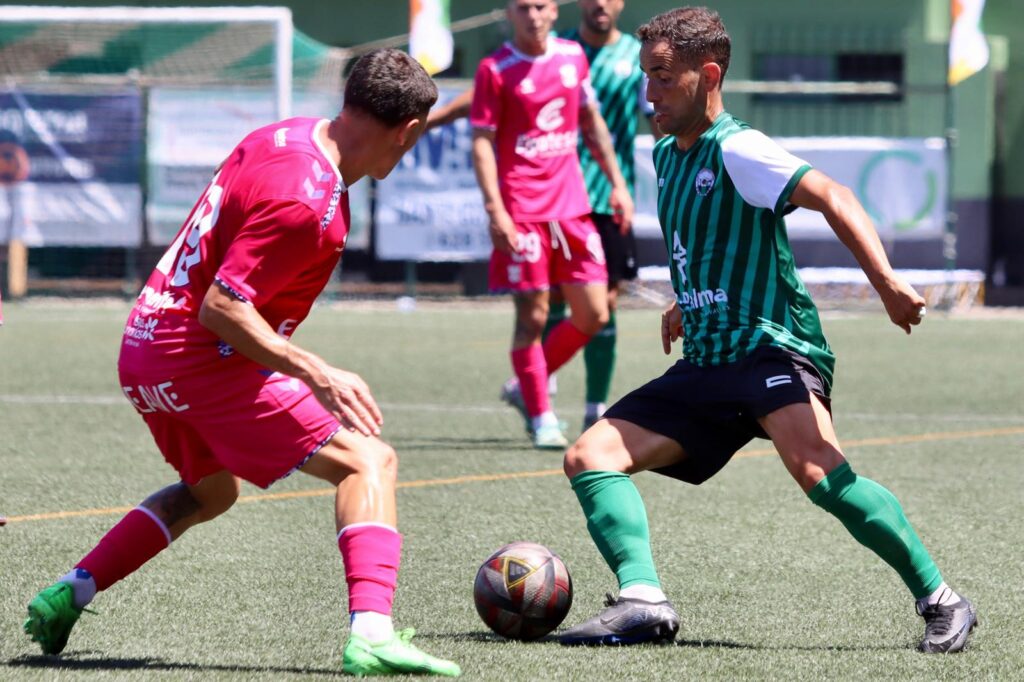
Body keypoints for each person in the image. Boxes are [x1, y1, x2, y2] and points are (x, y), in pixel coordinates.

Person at [23, 48, 461, 677]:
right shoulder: (306, 203)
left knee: (211, 492)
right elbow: (223, 307)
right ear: (409, 130)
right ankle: (372, 633)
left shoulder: (283, 135)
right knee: (370, 462)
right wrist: (318, 371)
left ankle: (74, 589)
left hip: (144, 345)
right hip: (193, 356)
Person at [557, 7, 977, 654]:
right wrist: (685, 302)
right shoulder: (669, 155)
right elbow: (707, 243)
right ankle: (642, 600)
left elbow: (834, 194)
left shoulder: (738, 147)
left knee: (820, 473)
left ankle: (942, 600)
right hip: (708, 360)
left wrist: (887, 282)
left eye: (664, 77)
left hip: (770, 348)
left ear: (709, 74)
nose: (649, 93)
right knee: (590, 458)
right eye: (646, 76)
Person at [470, 0, 634, 449]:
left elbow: (591, 121)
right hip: (522, 211)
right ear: (509, 13)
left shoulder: (571, 57)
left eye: (540, 6)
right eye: (522, 7)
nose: (532, 15)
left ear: (555, 11)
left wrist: (617, 182)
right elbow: (481, 143)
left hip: (573, 209)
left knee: (594, 312)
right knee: (534, 317)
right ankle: (542, 415)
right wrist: (495, 209)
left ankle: (527, 383)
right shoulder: (495, 69)